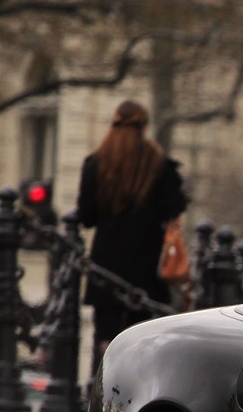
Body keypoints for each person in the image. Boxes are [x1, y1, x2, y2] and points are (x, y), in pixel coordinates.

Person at [77, 100, 189, 378]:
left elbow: (86, 216)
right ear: (145, 127)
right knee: (139, 332)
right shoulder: (160, 166)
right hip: (145, 263)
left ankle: (99, 386)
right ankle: (130, 393)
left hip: (106, 263)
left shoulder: (96, 164)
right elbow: (172, 208)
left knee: (105, 333)